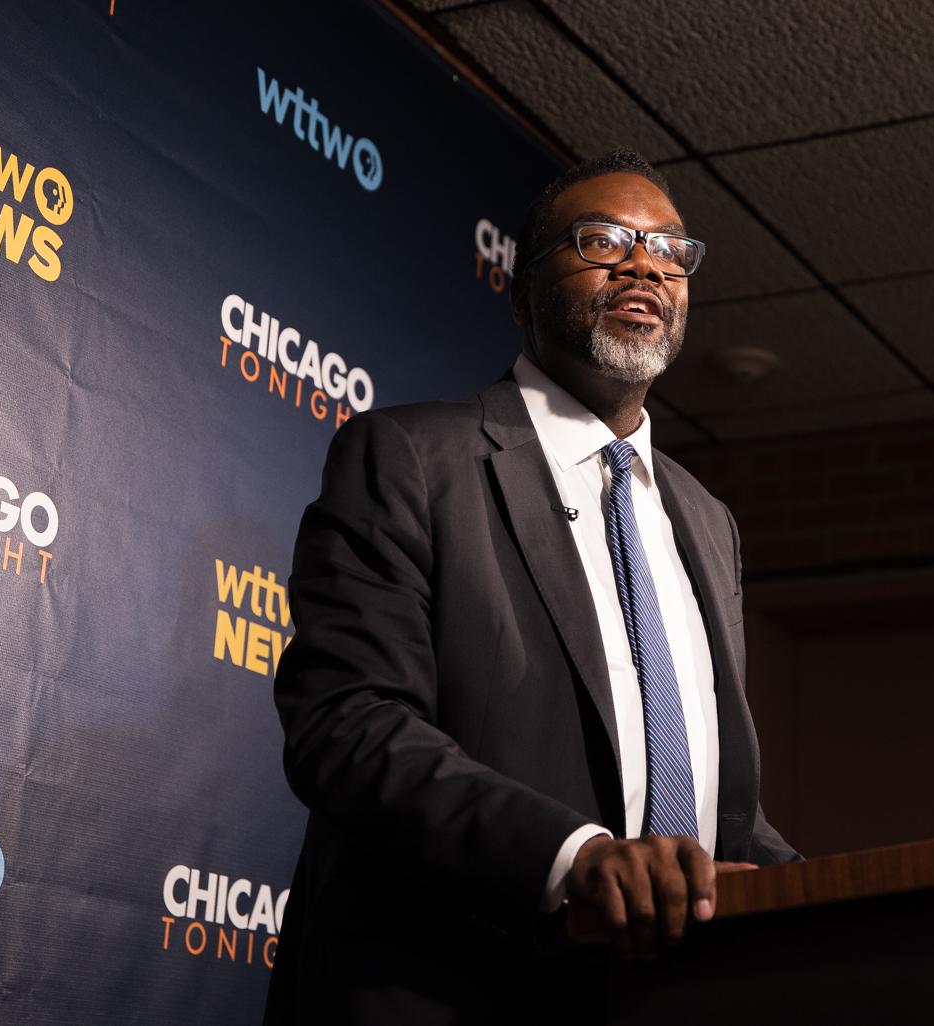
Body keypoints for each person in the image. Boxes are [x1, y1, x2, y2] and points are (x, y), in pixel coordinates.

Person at [264, 149, 800, 1026]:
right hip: (455, 989)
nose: (642, 264)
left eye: (669, 249)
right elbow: (348, 725)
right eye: (603, 240)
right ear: (520, 292)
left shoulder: (706, 520)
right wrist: (576, 858)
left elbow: (712, 799)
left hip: (667, 997)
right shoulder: (408, 459)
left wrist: (824, 895)